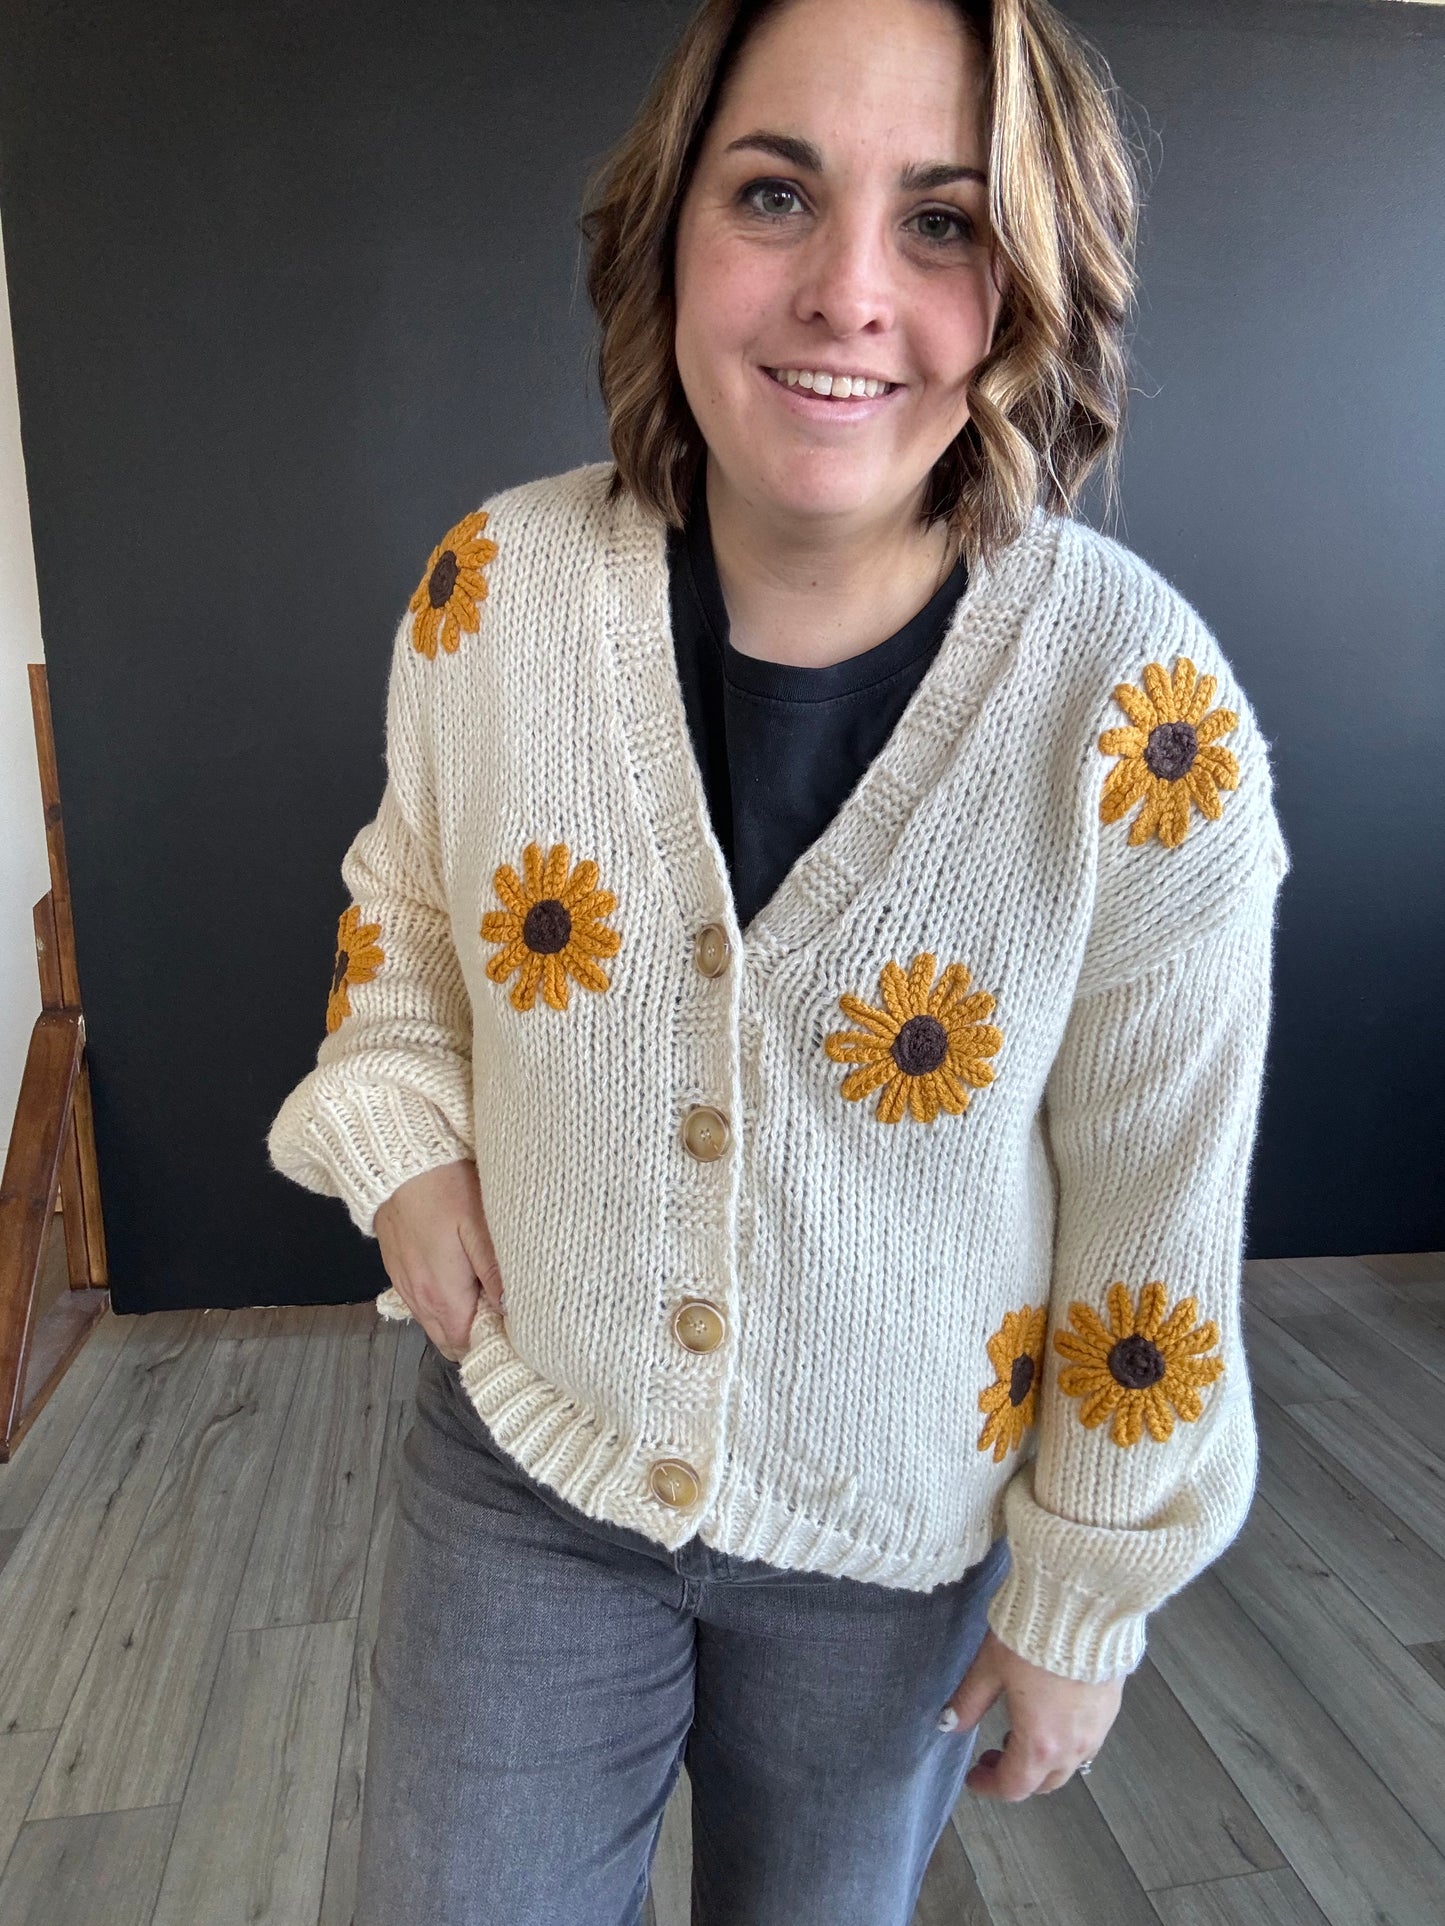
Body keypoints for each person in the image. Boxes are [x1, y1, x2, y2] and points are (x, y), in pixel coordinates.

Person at [266, 0, 1290, 1920]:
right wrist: (398, 1129)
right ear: (668, 227)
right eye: (774, 193)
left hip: (897, 1545)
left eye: (944, 221)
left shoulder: (1139, 720)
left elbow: (1157, 1213)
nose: (845, 291)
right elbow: (398, 922)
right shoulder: (490, 598)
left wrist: (1084, 1590)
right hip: (528, 1469)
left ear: (1034, 284)